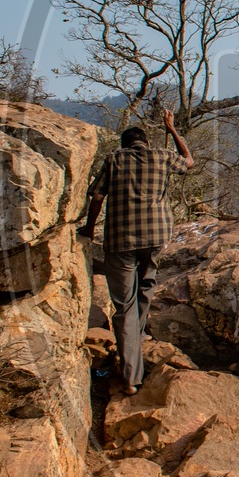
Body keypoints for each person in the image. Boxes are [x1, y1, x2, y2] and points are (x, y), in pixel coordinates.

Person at [78, 108, 195, 394]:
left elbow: (97, 196)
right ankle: (137, 339)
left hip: (121, 240)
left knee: (125, 306)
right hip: (155, 236)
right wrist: (171, 130)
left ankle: (131, 376)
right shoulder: (162, 155)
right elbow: (189, 162)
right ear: (145, 141)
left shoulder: (115, 158)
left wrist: (90, 228)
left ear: (124, 144)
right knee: (146, 285)